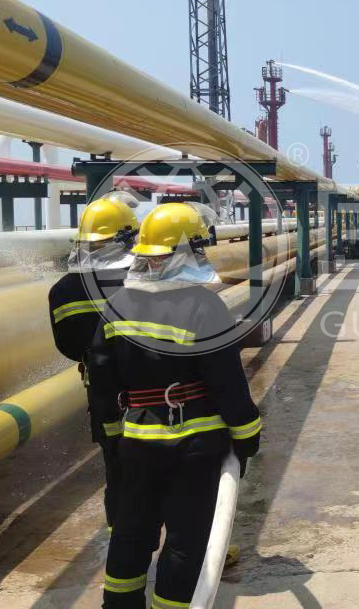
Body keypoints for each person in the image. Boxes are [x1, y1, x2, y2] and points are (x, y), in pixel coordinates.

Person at [88, 202, 261, 609]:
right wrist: (247, 437)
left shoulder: (116, 305)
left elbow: (101, 381)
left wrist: (112, 439)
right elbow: (228, 384)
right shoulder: (204, 306)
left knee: (131, 533)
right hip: (194, 448)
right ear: (188, 252)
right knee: (185, 540)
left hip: (137, 444)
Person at [47, 192, 139, 532]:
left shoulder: (62, 291)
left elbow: (68, 347)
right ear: (128, 236)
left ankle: (122, 539)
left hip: (103, 396)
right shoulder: (143, 279)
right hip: (153, 392)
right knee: (169, 471)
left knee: (117, 469)